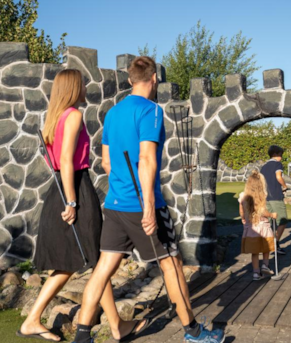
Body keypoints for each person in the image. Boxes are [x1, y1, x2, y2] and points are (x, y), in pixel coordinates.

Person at [72, 56, 224, 343]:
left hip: (115, 205)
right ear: (154, 79)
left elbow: (106, 163)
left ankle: (82, 337)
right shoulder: (151, 111)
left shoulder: (113, 113)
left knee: (104, 268)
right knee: (172, 266)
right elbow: (146, 159)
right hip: (141, 204)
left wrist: (123, 189)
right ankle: (193, 332)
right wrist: (150, 209)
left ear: (131, 80)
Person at [17, 69, 103, 342]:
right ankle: (34, 319)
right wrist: (72, 201)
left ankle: (33, 319)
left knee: (91, 259)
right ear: (74, 87)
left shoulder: (55, 118)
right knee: (97, 258)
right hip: (74, 189)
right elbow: (66, 161)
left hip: (61, 190)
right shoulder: (74, 115)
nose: (87, 87)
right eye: (84, 83)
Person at [238, 170, 277, 280]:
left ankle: (256, 273)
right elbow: (262, 212)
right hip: (263, 226)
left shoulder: (243, 196)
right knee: (266, 248)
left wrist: (243, 218)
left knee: (255, 252)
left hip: (251, 227)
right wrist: (272, 215)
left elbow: (241, 210)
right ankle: (265, 265)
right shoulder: (261, 196)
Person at [260, 145, 288, 255]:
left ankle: (270, 244)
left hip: (265, 197)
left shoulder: (264, 166)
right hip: (276, 196)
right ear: (278, 154)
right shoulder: (277, 164)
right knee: (283, 220)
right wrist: (284, 186)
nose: (281, 157)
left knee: (271, 222)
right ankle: (275, 244)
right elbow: (278, 177)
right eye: (281, 155)